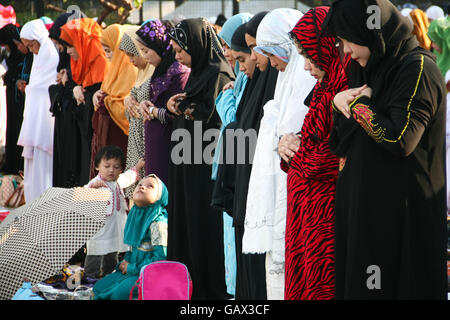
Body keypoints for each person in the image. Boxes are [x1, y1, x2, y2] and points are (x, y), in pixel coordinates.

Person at [326, 0, 447, 299]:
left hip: (402, 218)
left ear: (370, 32)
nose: (346, 51)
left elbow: (400, 140)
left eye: (348, 40)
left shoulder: (418, 69)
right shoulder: (367, 68)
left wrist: (357, 105)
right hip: (365, 213)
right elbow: (340, 142)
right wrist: (338, 104)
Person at [243, 8, 315, 300]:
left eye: (272, 53)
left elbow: (296, 131)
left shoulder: (307, 76)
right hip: (281, 185)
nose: (270, 63)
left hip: (299, 187)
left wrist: (278, 130)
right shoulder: (287, 79)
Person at [280, 6, 349, 300]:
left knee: (322, 285)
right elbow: (309, 138)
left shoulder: (345, 86)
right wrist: (286, 145)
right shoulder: (325, 86)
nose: (306, 66)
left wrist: (298, 156)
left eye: (309, 55)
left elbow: (337, 151)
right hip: (306, 210)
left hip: (326, 212)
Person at [167, 18, 235, 299]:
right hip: (188, 160)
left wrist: (184, 108)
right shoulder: (199, 72)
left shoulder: (220, 73)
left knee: (203, 223)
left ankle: (208, 286)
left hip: (204, 164)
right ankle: (187, 280)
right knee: (187, 219)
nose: (177, 56)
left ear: (196, 44)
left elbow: (214, 118)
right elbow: (194, 108)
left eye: (180, 49)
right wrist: (178, 106)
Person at [211, 12, 253, 298]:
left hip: (240, 167)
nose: (226, 53)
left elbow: (233, 120)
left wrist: (224, 98)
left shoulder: (249, 80)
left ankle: (237, 292)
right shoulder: (241, 78)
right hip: (232, 165)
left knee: (235, 239)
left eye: (230, 47)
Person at [92, 174, 168, 300]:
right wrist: (124, 263)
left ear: (160, 197)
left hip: (148, 275)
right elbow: (132, 249)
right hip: (132, 271)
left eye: (150, 186)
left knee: (118, 294)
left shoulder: (157, 223)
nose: (142, 187)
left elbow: (160, 261)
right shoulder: (135, 215)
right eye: (140, 185)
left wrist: (132, 268)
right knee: (99, 288)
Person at [135, 19, 191, 186]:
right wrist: (146, 105)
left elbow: (178, 113)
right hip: (156, 146)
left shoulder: (179, 73)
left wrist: (153, 112)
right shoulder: (161, 70)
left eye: (146, 51)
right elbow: (157, 103)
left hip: (170, 146)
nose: (145, 57)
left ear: (160, 46)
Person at [59, 18, 109, 186]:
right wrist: (75, 89)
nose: (67, 51)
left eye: (70, 45)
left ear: (81, 42)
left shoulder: (101, 61)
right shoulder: (82, 60)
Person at [84, 145, 145, 278]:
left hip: (114, 229)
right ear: (97, 167)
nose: (111, 170)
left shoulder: (117, 182)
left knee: (112, 252)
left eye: (116, 167)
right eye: (107, 166)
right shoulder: (94, 183)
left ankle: (109, 276)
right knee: (95, 253)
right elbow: (81, 196)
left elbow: (128, 177)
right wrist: (91, 189)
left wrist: (138, 167)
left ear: (121, 169)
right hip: (100, 231)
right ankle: (89, 277)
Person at [18, 19, 58, 203]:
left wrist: (31, 89)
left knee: (44, 162)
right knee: (33, 163)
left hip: (44, 119)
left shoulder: (50, 55)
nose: (32, 49)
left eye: (32, 45)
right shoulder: (38, 58)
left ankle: (44, 201)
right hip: (35, 117)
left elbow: (47, 87)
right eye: (28, 46)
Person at [90, 24, 137, 179]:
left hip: (121, 139)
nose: (107, 56)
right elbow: (108, 92)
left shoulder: (132, 71)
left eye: (109, 50)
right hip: (107, 138)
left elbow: (127, 105)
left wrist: (107, 101)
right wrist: (98, 96)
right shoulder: (112, 70)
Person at [118, 25, 155, 201]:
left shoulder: (154, 74)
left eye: (133, 55)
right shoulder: (141, 74)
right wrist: (128, 101)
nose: (131, 61)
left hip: (146, 139)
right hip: (135, 139)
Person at [48, 13, 83, 189]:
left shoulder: (85, 57)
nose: (62, 49)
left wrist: (70, 83)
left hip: (76, 123)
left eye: (63, 43)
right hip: (65, 120)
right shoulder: (67, 58)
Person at [0, 23, 32, 176]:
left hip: (24, 104)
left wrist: (15, 80)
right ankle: (12, 165)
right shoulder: (14, 55)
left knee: (20, 131)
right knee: (13, 131)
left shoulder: (30, 57)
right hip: (13, 102)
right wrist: (11, 79)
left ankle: (19, 167)